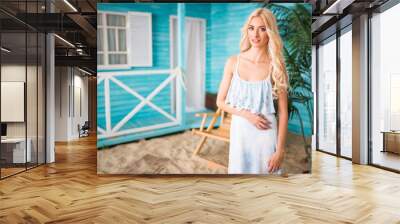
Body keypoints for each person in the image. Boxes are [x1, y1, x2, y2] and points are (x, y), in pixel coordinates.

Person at [216, 8, 288, 174]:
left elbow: (283, 112)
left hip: (266, 134)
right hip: (240, 132)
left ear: (270, 33)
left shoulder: (276, 65)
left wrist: (280, 151)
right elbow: (220, 102)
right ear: (247, 30)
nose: (255, 34)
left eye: (262, 29)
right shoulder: (233, 62)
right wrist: (247, 115)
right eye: (251, 28)